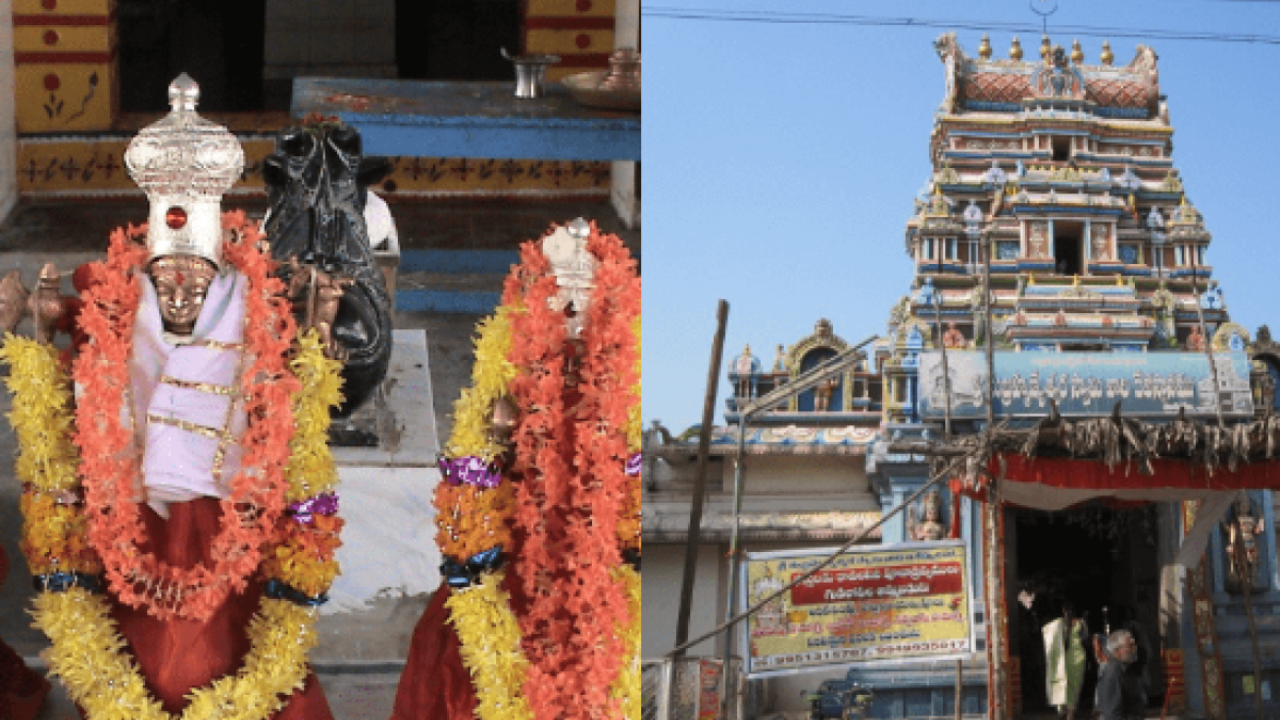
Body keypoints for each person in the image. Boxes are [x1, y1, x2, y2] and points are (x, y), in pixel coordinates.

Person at [1, 75, 354, 719]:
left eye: (195, 285)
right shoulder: (115, 319)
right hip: (136, 521)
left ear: (216, 279)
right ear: (148, 279)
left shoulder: (254, 318)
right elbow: (75, 381)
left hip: (227, 521)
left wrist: (317, 331)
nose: (181, 300)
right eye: (168, 286)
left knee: (225, 647)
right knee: (137, 644)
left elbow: (288, 396)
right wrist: (45, 321)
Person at [1043, 601, 1088, 719]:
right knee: (1075, 684)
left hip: (1063, 657)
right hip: (1078, 656)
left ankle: (1062, 708)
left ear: (1063, 611)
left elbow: (1047, 633)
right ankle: (1071, 711)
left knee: (1062, 681)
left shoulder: (1058, 623)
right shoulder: (1081, 623)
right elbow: (1085, 639)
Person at [1096, 630, 1145, 720]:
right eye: (1129, 647)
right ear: (1117, 651)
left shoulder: (1126, 669)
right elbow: (1112, 714)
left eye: (1133, 645)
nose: (1133, 649)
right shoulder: (1113, 673)